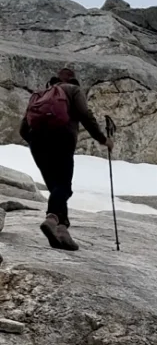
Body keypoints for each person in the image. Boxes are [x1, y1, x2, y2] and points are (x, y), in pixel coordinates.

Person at [19, 67, 111, 251]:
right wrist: (103, 139)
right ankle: (52, 219)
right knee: (64, 187)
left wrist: (36, 142)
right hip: (62, 140)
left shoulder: (40, 94)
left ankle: (62, 230)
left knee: (56, 187)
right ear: (73, 81)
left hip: (38, 143)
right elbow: (85, 115)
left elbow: (23, 129)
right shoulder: (73, 90)